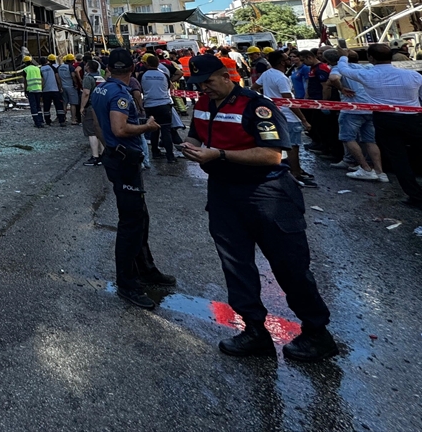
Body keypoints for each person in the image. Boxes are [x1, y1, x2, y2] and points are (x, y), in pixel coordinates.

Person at [180, 54, 338, 362]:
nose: (203, 88)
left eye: (208, 82)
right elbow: (195, 135)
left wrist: (219, 155)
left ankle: (317, 333)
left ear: (227, 76)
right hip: (224, 192)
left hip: (267, 193)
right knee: (236, 265)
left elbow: (271, 155)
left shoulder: (256, 106)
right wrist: (191, 148)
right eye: (197, 83)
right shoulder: (202, 104)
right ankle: (254, 331)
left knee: (289, 265)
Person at [90, 48, 171, 309]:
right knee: (131, 222)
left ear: (108, 68)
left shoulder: (100, 90)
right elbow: (120, 128)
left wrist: (108, 148)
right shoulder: (119, 93)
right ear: (133, 68)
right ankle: (127, 282)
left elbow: (97, 123)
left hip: (117, 157)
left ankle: (145, 268)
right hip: (124, 161)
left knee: (140, 217)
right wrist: (147, 127)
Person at [333, 43, 422, 208]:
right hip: (413, 118)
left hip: (385, 120)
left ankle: (416, 197)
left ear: (370, 58)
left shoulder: (367, 75)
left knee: (399, 159)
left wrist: (343, 56)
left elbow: (343, 70)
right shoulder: (414, 75)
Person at [255, 51, 315, 188]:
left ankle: (295, 170)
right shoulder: (281, 78)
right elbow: (289, 101)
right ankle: (296, 173)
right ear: (282, 62)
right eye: (288, 58)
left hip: (275, 114)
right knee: (293, 146)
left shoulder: (267, 74)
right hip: (288, 116)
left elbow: (254, 88)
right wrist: (303, 119)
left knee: (283, 144)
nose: (290, 60)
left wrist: (266, 102)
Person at [328, 50, 386, 183]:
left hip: (351, 109)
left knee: (348, 138)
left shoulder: (338, 68)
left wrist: (341, 89)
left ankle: (365, 169)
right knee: (370, 141)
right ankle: (379, 171)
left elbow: (333, 78)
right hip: (370, 108)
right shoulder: (367, 67)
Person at [141, 54, 179, 162]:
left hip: (149, 105)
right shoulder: (164, 75)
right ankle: (170, 156)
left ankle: (155, 152)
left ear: (146, 64)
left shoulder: (143, 75)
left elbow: (141, 89)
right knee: (166, 130)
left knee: (153, 130)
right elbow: (169, 87)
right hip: (164, 104)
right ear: (158, 63)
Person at [80, 59, 105, 166]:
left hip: (91, 107)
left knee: (91, 132)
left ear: (88, 67)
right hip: (101, 106)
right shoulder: (101, 78)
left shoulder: (88, 78)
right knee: (100, 130)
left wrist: (82, 107)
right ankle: (103, 155)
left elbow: (86, 93)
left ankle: (95, 156)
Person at [40, 54, 66, 126]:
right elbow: (57, 77)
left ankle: (48, 121)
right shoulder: (52, 67)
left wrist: (41, 89)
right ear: (46, 61)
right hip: (55, 89)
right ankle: (61, 120)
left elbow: (41, 80)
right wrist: (60, 87)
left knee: (46, 106)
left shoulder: (40, 69)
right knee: (59, 105)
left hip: (45, 90)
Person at [58, 54, 81, 124]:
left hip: (63, 86)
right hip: (71, 87)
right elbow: (73, 75)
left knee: (64, 103)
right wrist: (76, 83)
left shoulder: (60, 67)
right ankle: (73, 119)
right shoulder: (70, 67)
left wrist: (60, 86)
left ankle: (64, 118)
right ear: (72, 60)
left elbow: (58, 77)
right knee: (73, 103)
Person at [23, 55, 44, 128]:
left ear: (25, 63)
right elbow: (42, 79)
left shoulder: (25, 70)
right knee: (38, 106)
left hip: (31, 90)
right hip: (38, 89)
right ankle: (41, 120)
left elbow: (25, 81)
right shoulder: (37, 68)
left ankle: (37, 122)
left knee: (33, 106)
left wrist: (25, 90)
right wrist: (42, 88)